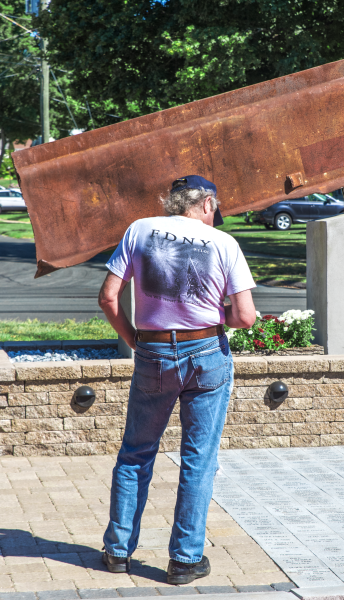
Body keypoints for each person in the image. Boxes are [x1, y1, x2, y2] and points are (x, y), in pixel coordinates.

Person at [97, 175, 256, 584]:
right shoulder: (224, 244)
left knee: (135, 453)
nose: (215, 216)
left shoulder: (139, 230)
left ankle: (117, 552)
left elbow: (108, 297)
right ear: (205, 203)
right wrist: (209, 316)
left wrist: (133, 337)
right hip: (206, 353)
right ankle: (185, 561)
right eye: (215, 209)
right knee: (198, 459)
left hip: (152, 351)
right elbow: (245, 316)